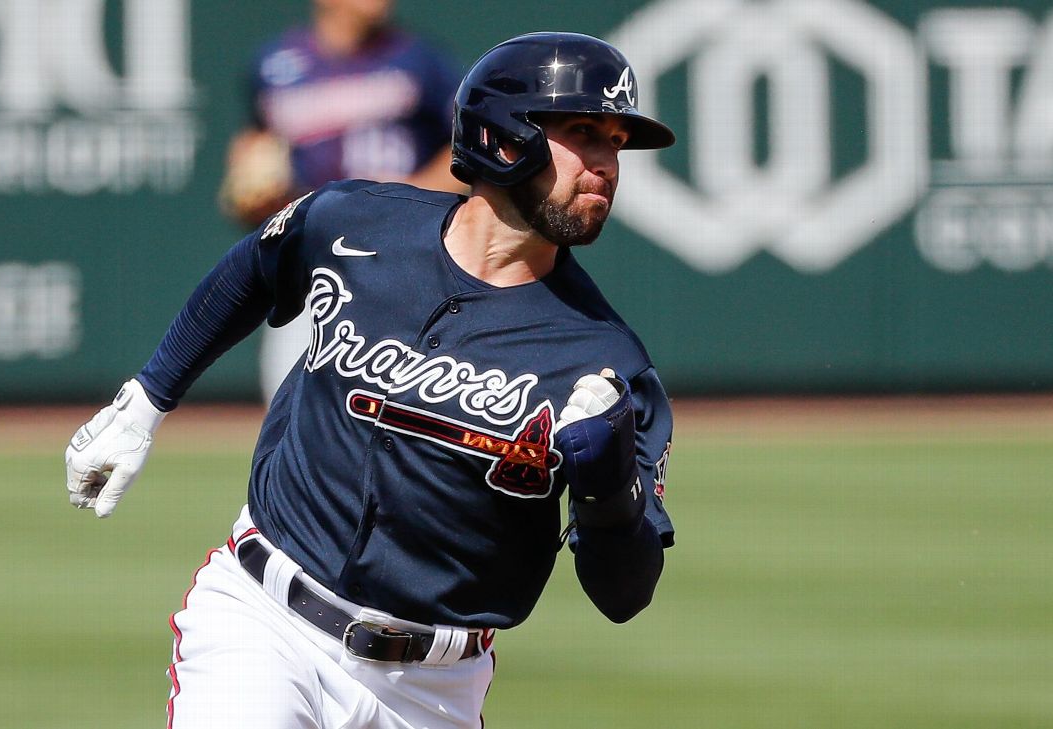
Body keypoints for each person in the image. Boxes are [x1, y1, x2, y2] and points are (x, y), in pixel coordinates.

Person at [65, 32, 678, 729]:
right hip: (264, 625)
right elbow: (254, 268)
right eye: (584, 133)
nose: (606, 163)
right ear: (507, 137)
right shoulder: (354, 222)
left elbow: (625, 593)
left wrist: (608, 493)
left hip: (431, 692)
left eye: (616, 142)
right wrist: (148, 398)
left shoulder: (607, 363)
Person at [217, 0, 464, 403]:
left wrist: (405, 198)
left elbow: (468, 150)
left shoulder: (422, 60)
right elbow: (254, 147)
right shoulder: (275, 63)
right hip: (311, 262)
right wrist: (250, 187)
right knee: (287, 414)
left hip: (403, 260)